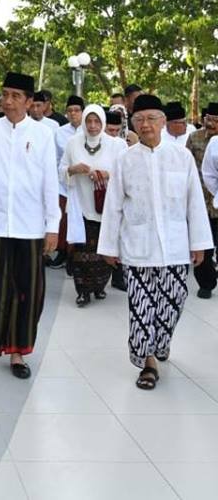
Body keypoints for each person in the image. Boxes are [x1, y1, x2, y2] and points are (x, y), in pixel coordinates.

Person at [97, 94, 212, 390]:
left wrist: (199, 243)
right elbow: (114, 206)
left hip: (175, 247)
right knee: (141, 307)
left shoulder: (181, 157)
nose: (145, 125)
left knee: (173, 303)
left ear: (163, 121)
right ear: (133, 123)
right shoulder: (124, 159)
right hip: (138, 247)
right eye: (139, 119)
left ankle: (161, 343)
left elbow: (194, 203)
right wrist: (109, 247)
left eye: (151, 118)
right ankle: (147, 362)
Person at [0, 72, 60, 379]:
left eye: (16, 96)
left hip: (31, 228)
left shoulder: (44, 134)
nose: (7, 101)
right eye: (5, 94)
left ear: (30, 102)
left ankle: (17, 352)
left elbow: (50, 182)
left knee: (30, 292)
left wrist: (53, 226)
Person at [59, 105, 127, 305]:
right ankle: (82, 291)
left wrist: (107, 175)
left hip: (107, 207)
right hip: (81, 205)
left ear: (103, 123)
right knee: (81, 252)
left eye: (97, 121)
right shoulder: (73, 143)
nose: (92, 125)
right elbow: (61, 170)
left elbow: (126, 174)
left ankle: (99, 287)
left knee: (102, 251)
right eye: (89, 121)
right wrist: (73, 169)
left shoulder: (117, 145)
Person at [50, 96, 86, 271]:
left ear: (83, 112)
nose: (73, 114)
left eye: (77, 110)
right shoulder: (60, 132)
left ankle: (75, 257)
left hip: (84, 185)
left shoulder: (90, 129)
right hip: (64, 184)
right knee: (63, 221)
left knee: (80, 221)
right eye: (70, 110)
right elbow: (55, 159)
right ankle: (62, 253)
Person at [104, 108, 132, 291]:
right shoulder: (96, 142)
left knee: (119, 236)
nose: (113, 135)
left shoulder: (122, 145)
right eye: (109, 131)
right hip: (98, 195)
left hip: (119, 195)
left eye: (116, 131)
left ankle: (118, 277)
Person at [193, 102, 218, 298]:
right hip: (200, 201)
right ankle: (206, 283)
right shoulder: (194, 138)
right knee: (204, 244)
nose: (212, 123)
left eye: (216, 121)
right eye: (209, 119)